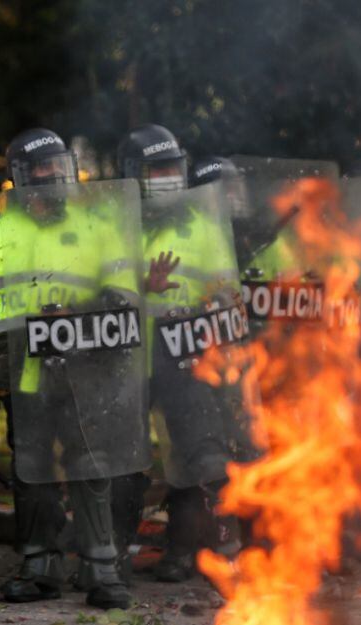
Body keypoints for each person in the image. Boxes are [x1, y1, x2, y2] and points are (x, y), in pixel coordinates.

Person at [0, 128, 141, 609]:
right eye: (41, 173)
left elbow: (122, 293)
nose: (51, 181)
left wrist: (87, 310)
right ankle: (40, 566)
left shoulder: (97, 225)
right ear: (21, 180)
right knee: (33, 472)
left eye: (57, 171)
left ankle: (101, 570)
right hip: (27, 376)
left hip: (87, 369)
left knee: (91, 465)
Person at [115, 126, 247, 582]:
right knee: (123, 464)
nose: (170, 177)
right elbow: (100, 290)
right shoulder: (117, 227)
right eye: (159, 170)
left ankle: (189, 551)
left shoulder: (204, 226)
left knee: (193, 459)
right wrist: (141, 289)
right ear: (134, 175)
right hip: (129, 362)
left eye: (174, 168)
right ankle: (108, 559)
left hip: (186, 362)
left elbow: (225, 292)